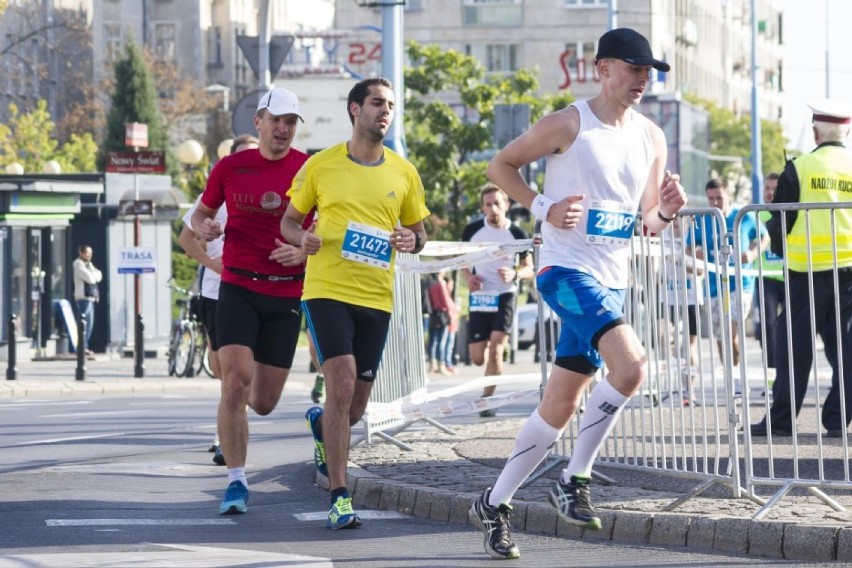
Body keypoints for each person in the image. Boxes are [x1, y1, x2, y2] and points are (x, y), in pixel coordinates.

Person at [469, 27, 686, 560]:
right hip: (565, 273)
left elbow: (648, 222)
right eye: (633, 68)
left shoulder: (650, 136)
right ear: (602, 68)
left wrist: (669, 210)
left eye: (648, 71)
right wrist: (543, 207)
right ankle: (574, 480)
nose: (641, 79)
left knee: (560, 404)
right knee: (632, 367)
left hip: (612, 279)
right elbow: (500, 165)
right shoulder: (569, 123)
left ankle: (493, 504)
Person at [280, 77, 429, 530]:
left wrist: (411, 239)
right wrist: (301, 237)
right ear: (354, 109)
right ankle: (340, 495)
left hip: (376, 298)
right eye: (377, 103)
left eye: (390, 105)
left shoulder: (403, 172)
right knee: (340, 383)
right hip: (326, 289)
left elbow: (419, 233)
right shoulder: (320, 166)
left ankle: (322, 429)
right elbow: (288, 221)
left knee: (356, 405)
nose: (385, 111)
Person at [191, 87, 314, 515]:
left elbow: (329, 229)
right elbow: (199, 215)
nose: (283, 129)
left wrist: (303, 250)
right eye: (276, 120)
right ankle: (237, 482)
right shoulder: (231, 167)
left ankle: (305, 424)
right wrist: (206, 229)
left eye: (291, 122)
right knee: (234, 381)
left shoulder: (310, 170)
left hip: (286, 291)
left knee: (262, 402)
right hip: (238, 285)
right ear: (258, 122)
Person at [751, 99, 852, 439]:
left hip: (805, 273)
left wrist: (782, 250)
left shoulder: (800, 167)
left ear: (814, 132)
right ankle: (838, 419)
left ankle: (781, 421)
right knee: (848, 350)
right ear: (847, 131)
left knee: (793, 351)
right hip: (850, 273)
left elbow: (778, 221)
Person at [178, 133, 259, 466]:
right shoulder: (216, 196)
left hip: (258, 292)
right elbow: (186, 238)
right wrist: (212, 263)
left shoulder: (272, 196)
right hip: (216, 292)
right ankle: (227, 432)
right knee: (223, 372)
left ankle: (231, 432)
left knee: (242, 376)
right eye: (242, 157)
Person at [461, 184, 534, 417]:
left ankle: (487, 400)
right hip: (481, 296)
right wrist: (469, 278)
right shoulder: (471, 231)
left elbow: (529, 268)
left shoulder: (518, 234)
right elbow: (461, 261)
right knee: (477, 357)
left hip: (505, 294)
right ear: (482, 207)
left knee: (496, 350)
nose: (493, 209)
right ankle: (487, 386)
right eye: (488, 204)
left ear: (507, 206)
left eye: (497, 204)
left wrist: (515, 274)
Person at [688, 178, 767, 379]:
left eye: (719, 198)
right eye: (711, 198)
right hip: (714, 286)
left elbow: (764, 237)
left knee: (731, 331)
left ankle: (737, 376)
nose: (715, 202)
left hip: (740, 283)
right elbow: (689, 246)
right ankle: (732, 377)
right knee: (722, 336)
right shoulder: (704, 218)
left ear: (728, 195)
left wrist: (752, 253)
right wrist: (697, 254)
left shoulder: (742, 216)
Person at [753, 173, 783, 369]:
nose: (770, 192)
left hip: (790, 276)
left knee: (792, 328)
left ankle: (789, 375)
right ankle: (772, 376)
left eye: (775, 188)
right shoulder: (755, 214)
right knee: (768, 327)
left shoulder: (790, 212)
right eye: (767, 188)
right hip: (765, 278)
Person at [72, 244, 102, 356]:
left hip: (91, 297)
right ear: (81, 253)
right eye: (87, 253)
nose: (90, 255)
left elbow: (99, 274)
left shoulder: (88, 264)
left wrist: (93, 276)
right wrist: (94, 277)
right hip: (83, 298)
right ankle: (81, 347)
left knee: (89, 324)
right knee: (84, 323)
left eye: (91, 253)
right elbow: (89, 278)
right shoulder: (78, 264)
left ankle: (85, 346)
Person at [426, 271, 454, 374]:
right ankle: (441, 365)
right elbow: (445, 300)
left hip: (433, 314)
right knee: (441, 342)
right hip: (443, 314)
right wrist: (450, 315)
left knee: (432, 341)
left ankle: (432, 365)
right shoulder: (441, 284)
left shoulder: (430, 284)